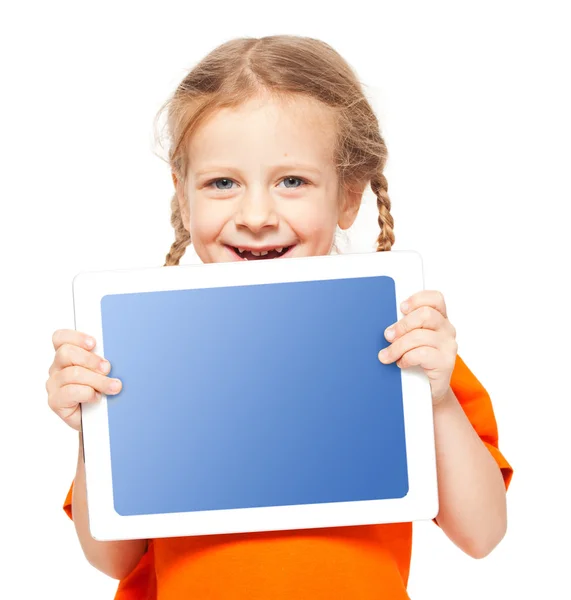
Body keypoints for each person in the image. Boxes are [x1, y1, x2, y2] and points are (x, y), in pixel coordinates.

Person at [46, 35, 513, 599]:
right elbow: (113, 558)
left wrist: (436, 399)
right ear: (183, 195)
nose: (257, 215)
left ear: (349, 196)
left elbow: (483, 534)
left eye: (292, 181)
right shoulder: (145, 352)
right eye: (223, 183)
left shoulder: (401, 340)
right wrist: (92, 429)